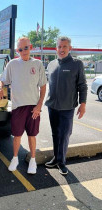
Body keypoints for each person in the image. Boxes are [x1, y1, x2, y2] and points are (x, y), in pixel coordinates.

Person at [0, 37, 47, 174]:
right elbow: (2, 80)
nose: (23, 51)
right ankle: (15, 158)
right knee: (17, 135)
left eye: (26, 48)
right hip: (18, 106)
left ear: (30, 47)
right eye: (20, 49)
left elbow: (43, 87)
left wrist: (39, 106)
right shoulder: (12, 64)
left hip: (33, 107)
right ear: (17, 50)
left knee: (32, 135)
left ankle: (32, 161)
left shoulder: (37, 64)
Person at [45, 36, 87, 175]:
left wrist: (83, 104)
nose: (61, 49)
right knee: (55, 134)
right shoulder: (51, 64)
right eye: (59, 46)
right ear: (56, 48)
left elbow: (82, 85)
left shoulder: (77, 64)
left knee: (64, 135)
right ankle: (56, 158)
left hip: (67, 107)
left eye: (64, 46)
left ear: (70, 48)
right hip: (52, 106)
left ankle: (61, 162)